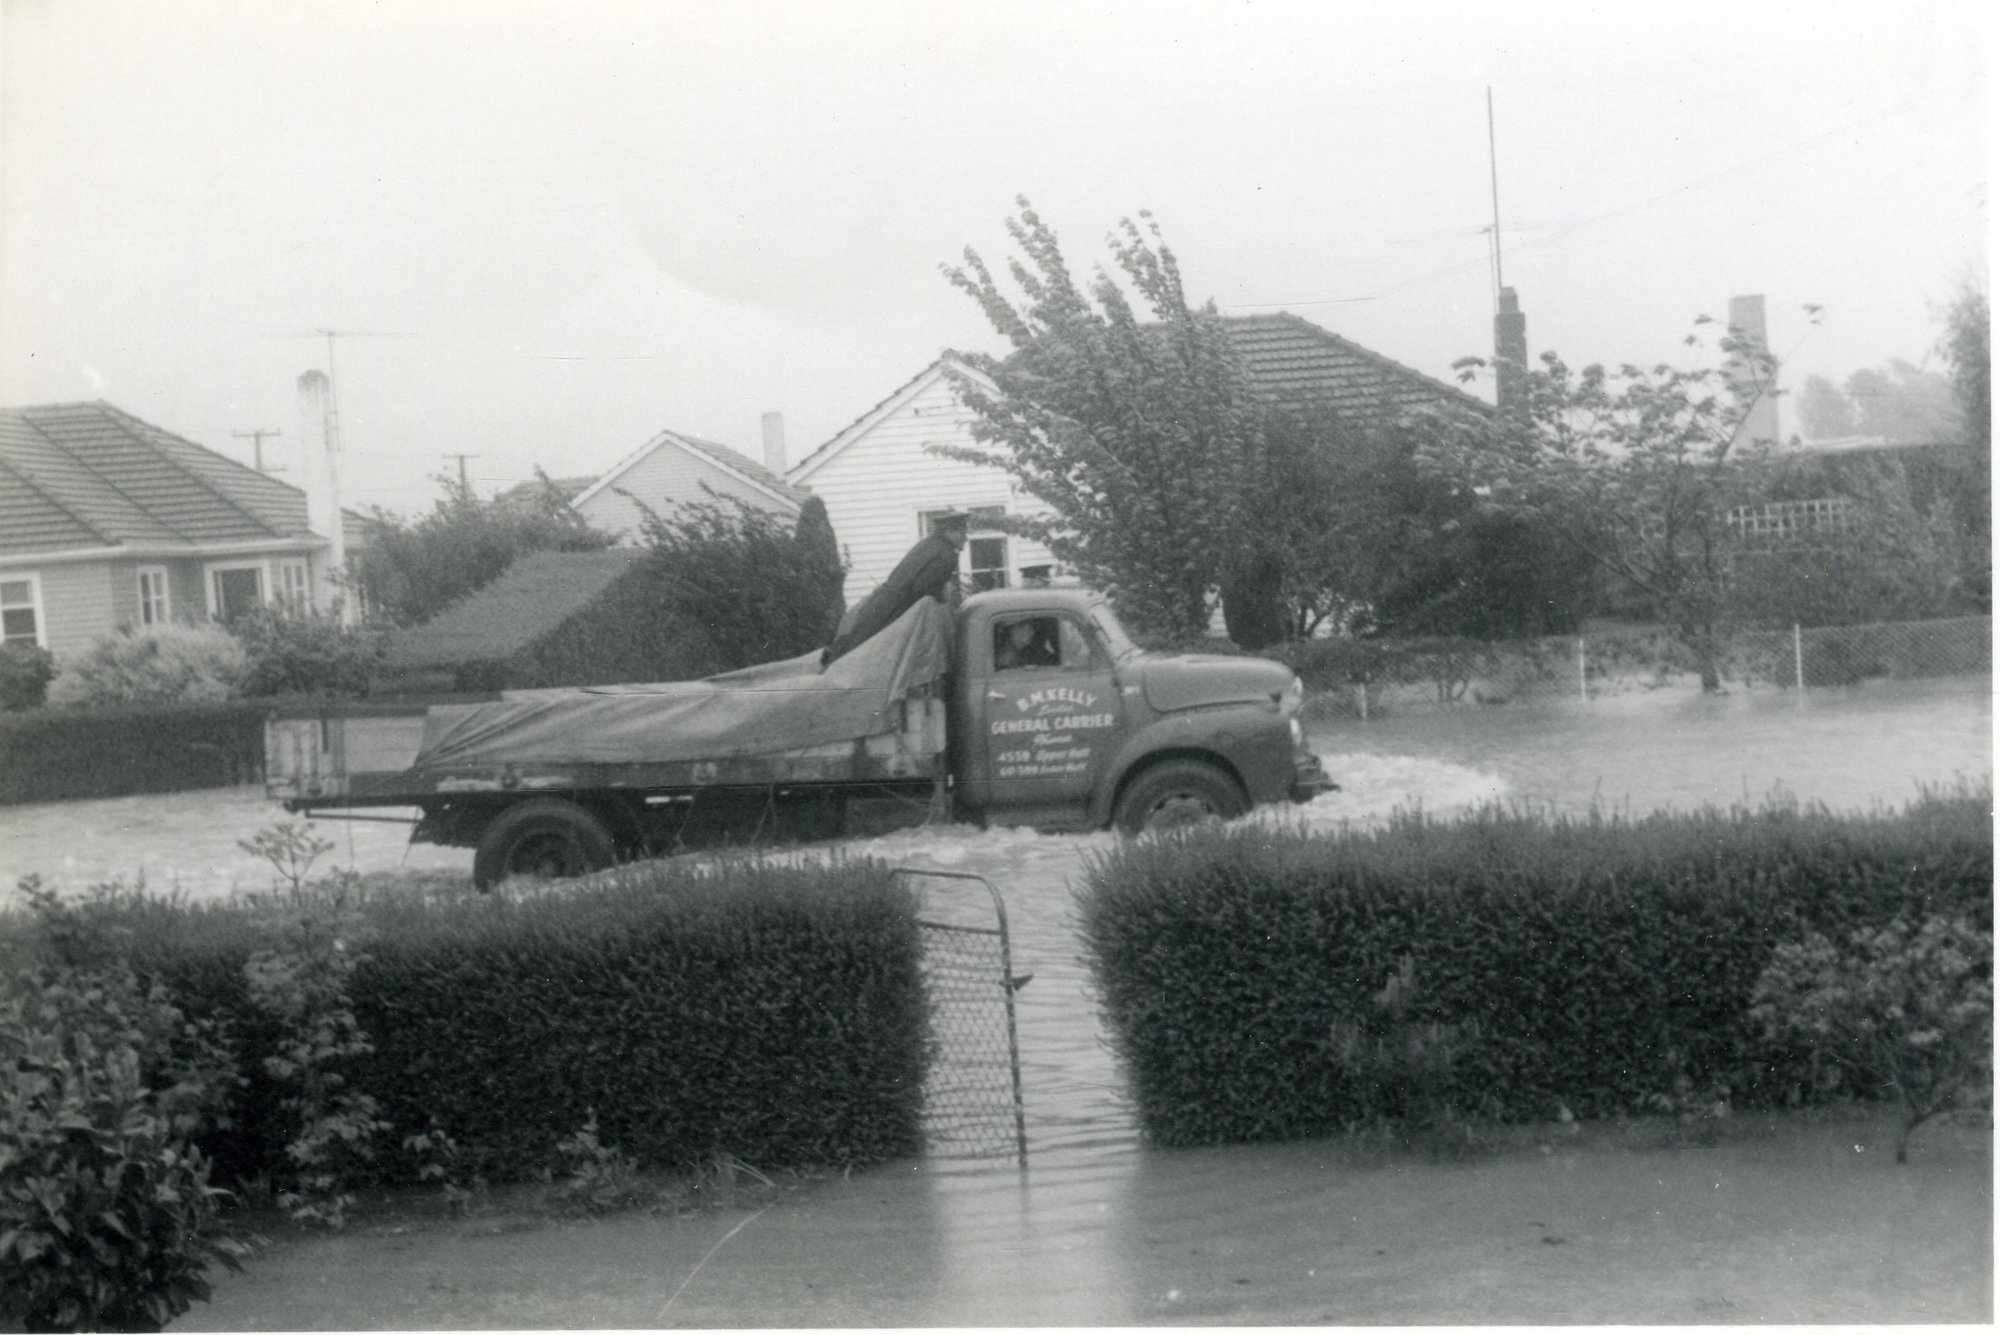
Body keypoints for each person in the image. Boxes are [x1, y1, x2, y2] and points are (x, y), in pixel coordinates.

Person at [821, 511, 970, 665]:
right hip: (897, 607)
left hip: (882, 598)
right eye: (963, 532)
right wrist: (940, 596)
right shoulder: (947, 553)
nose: (966, 538)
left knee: (855, 642)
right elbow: (922, 588)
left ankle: (828, 665)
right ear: (949, 531)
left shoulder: (928, 544)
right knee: (867, 652)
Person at [993, 617, 1059, 670]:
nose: (1032, 633)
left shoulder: (1019, 651)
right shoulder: (1008, 657)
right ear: (1016, 629)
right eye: (1028, 628)